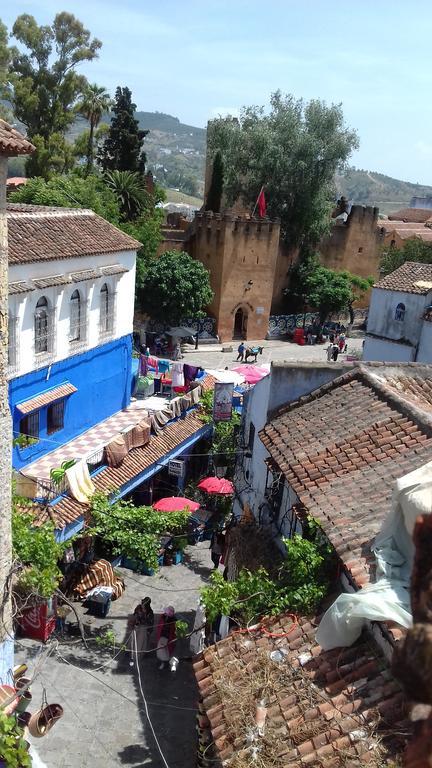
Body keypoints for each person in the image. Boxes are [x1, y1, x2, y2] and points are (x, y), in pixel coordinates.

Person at [129, 597, 154, 666]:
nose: (142, 605)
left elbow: (151, 623)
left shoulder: (150, 613)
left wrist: (149, 631)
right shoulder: (138, 608)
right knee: (133, 639)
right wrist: (135, 622)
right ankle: (131, 653)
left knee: (140, 642)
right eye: (142, 603)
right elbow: (135, 615)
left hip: (144, 628)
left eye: (144, 605)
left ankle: (136, 657)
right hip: (137, 626)